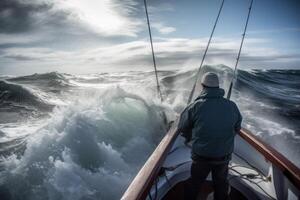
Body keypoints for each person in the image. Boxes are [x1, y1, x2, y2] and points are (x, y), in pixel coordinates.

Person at [178, 72, 242, 200]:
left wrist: (190, 135)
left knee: (195, 183)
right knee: (221, 184)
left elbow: (182, 127)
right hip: (223, 156)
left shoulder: (194, 106)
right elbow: (237, 127)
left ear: (203, 86)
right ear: (218, 87)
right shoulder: (232, 106)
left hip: (201, 156)